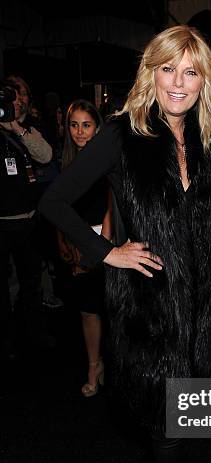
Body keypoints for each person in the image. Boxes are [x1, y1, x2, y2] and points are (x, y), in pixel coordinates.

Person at [38, 25, 211, 463]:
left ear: (204, 81)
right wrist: (107, 252)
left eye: (191, 71)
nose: (178, 82)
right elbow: (56, 200)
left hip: (209, 307)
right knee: (165, 424)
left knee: (200, 410)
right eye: (168, 68)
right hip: (149, 306)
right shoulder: (122, 133)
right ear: (151, 71)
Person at [58, 99, 111, 397]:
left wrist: (98, 249)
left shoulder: (106, 160)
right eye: (74, 125)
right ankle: (94, 365)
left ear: (97, 127)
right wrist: (67, 241)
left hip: (106, 244)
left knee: (112, 310)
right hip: (78, 244)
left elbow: (110, 209)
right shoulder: (66, 162)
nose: (80, 132)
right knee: (88, 311)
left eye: (86, 125)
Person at [0, 79, 53, 361]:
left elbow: (45, 156)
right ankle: (6, 340)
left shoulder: (29, 127)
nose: (15, 101)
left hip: (28, 220)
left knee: (31, 282)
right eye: (9, 96)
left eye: (19, 95)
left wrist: (17, 128)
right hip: (2, 222)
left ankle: (32, 333)